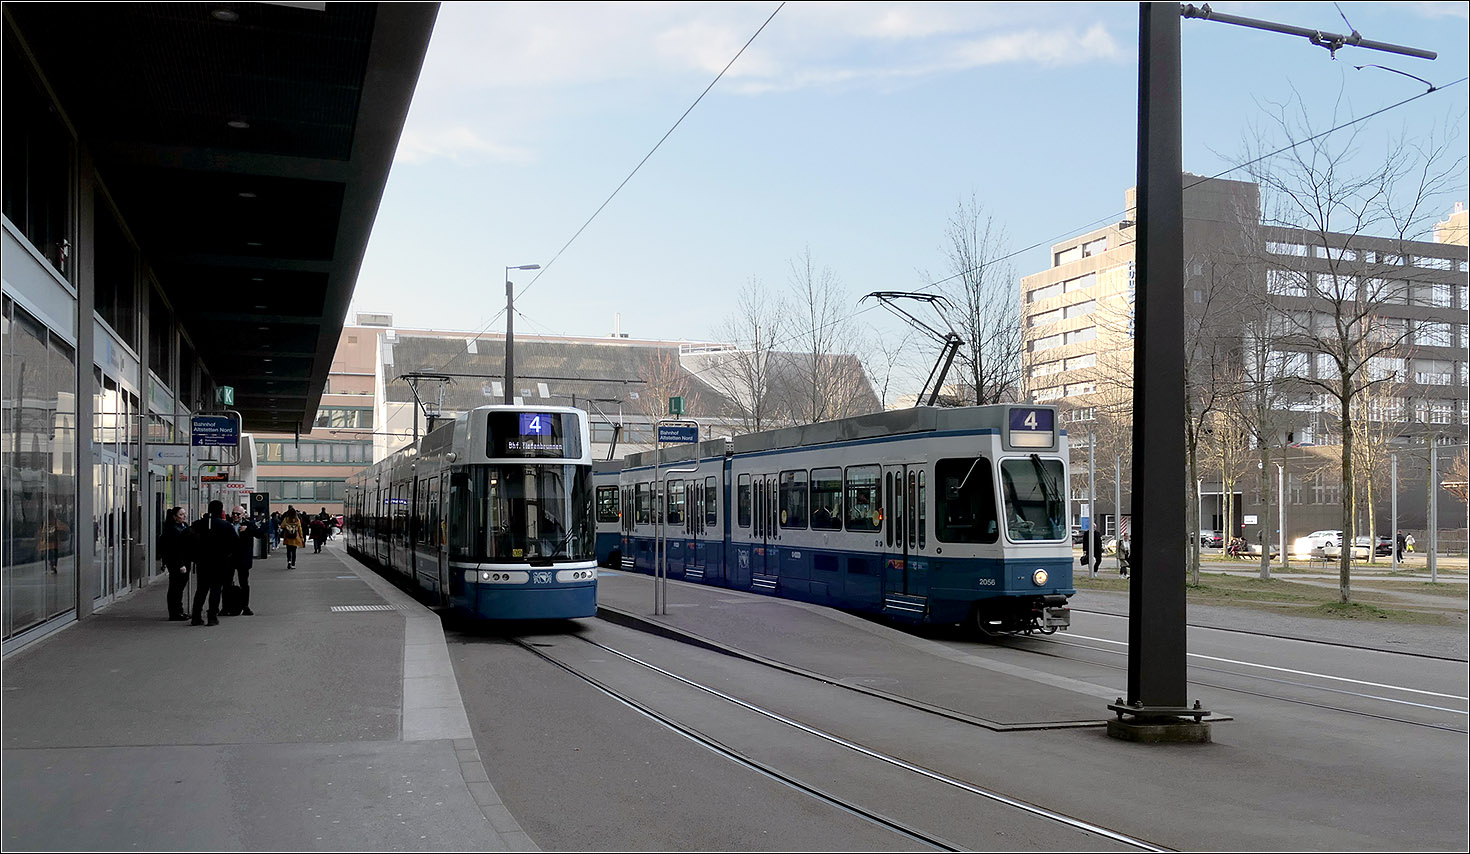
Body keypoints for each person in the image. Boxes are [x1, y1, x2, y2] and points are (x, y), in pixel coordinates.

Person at [190, 500, 239, 626]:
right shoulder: (226, 526)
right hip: (220, 562)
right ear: (220, 510)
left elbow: (188, 539)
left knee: (201, 589)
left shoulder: (198, 524)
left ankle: (196, 616)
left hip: (202, 562)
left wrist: (195, 556)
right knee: (216, 589)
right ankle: (212, 616)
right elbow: (234, 544)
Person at [157, 506, 193, 621]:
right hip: (177, 562)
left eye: (184, 514)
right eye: (181, 515)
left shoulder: (184, 526)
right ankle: (174, 613)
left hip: (186, 560)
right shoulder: (171, 531)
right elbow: (173, 550)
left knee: (180, 588)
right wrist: (180, 564)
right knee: (175, 588)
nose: (184, 516)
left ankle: (179, 610)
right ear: (174, 517)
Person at [228, 509, 258, 616]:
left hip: (243, 558)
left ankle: (245, 606)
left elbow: (260, 534)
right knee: (227, 583)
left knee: (244, 583)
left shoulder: (248, 524)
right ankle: (227, 607)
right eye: (233, 513)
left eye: (238, 514)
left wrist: (248, 529)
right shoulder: (228, 524)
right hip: (230, 558)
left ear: (243, 515)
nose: (235, 516)